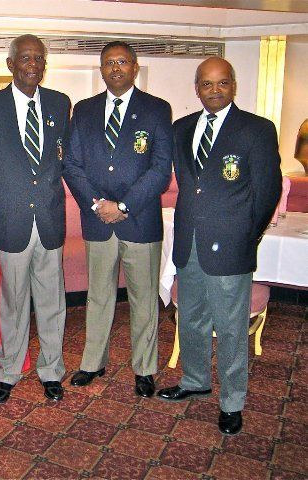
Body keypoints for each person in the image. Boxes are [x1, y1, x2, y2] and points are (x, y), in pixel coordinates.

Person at [157, 57, 282, 436]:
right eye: (207, 84)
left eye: (222, 83)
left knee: (230, 326)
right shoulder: (182, 128)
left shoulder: (257, 129)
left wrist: (247, 235)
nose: (214, 90)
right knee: (190, 317)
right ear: (196, 88)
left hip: (231, 245)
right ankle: (195, 380)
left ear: (233, 86)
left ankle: (232, 401)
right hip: (189, 242)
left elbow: (267, 191)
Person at [63, 41, 173, 398]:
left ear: (135, 67)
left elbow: (160, 170)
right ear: (101, 69)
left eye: (122, 62)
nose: (115, 68)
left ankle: (145, 368)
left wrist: (123, 206)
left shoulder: (157, 109)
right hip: (97, 221)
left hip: (140, 221)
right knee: (98, 296)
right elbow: (71, 165)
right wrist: (98, 205)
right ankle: (93, 362)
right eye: (109, 62)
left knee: (144, 299)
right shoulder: (84, 110)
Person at [0, 34, 71, 404]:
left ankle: (52, 370)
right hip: (10, 219)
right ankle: (8, 371)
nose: (33, 64)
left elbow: (62, 157)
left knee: (52, 301)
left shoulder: (59, 103)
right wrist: (4, 202)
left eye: (38, 58)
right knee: (13, 302)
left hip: (49, 218)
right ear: (11, 64)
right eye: (25, 58)